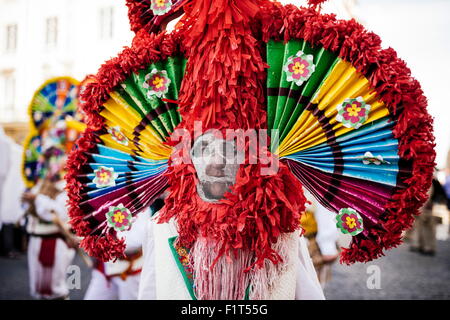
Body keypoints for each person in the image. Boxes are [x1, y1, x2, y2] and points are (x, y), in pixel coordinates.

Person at [22, 150, 76, 300]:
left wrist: (38, 199)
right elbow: (28, 209)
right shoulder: (41, 183)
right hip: (36, 238)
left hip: (53, 240)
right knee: (38, 287)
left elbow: (60, 214)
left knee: (54, 288)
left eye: (50, 161)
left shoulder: (67, 185)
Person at [84, 210, 148, 300]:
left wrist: (104, 239)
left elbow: (137, 240)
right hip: (106, 267)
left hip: (129, 271)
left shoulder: (140, 206)